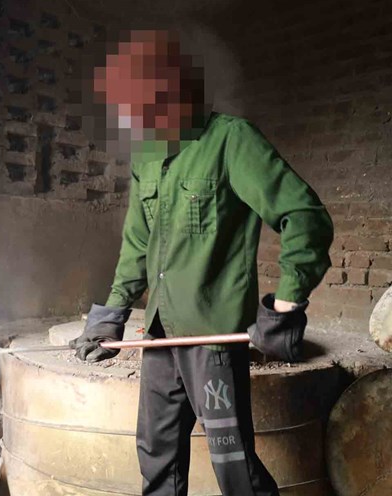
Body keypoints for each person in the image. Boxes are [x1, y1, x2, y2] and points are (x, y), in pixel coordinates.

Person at [71, 30, 334, 496]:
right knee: (157, 457)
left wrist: (286, 304)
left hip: (211, 335)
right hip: (158, 333)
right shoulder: (148, 157)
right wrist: (109, 316)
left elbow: (305, 217)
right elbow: (137, 244)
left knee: (234, 465)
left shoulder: (232, 139)